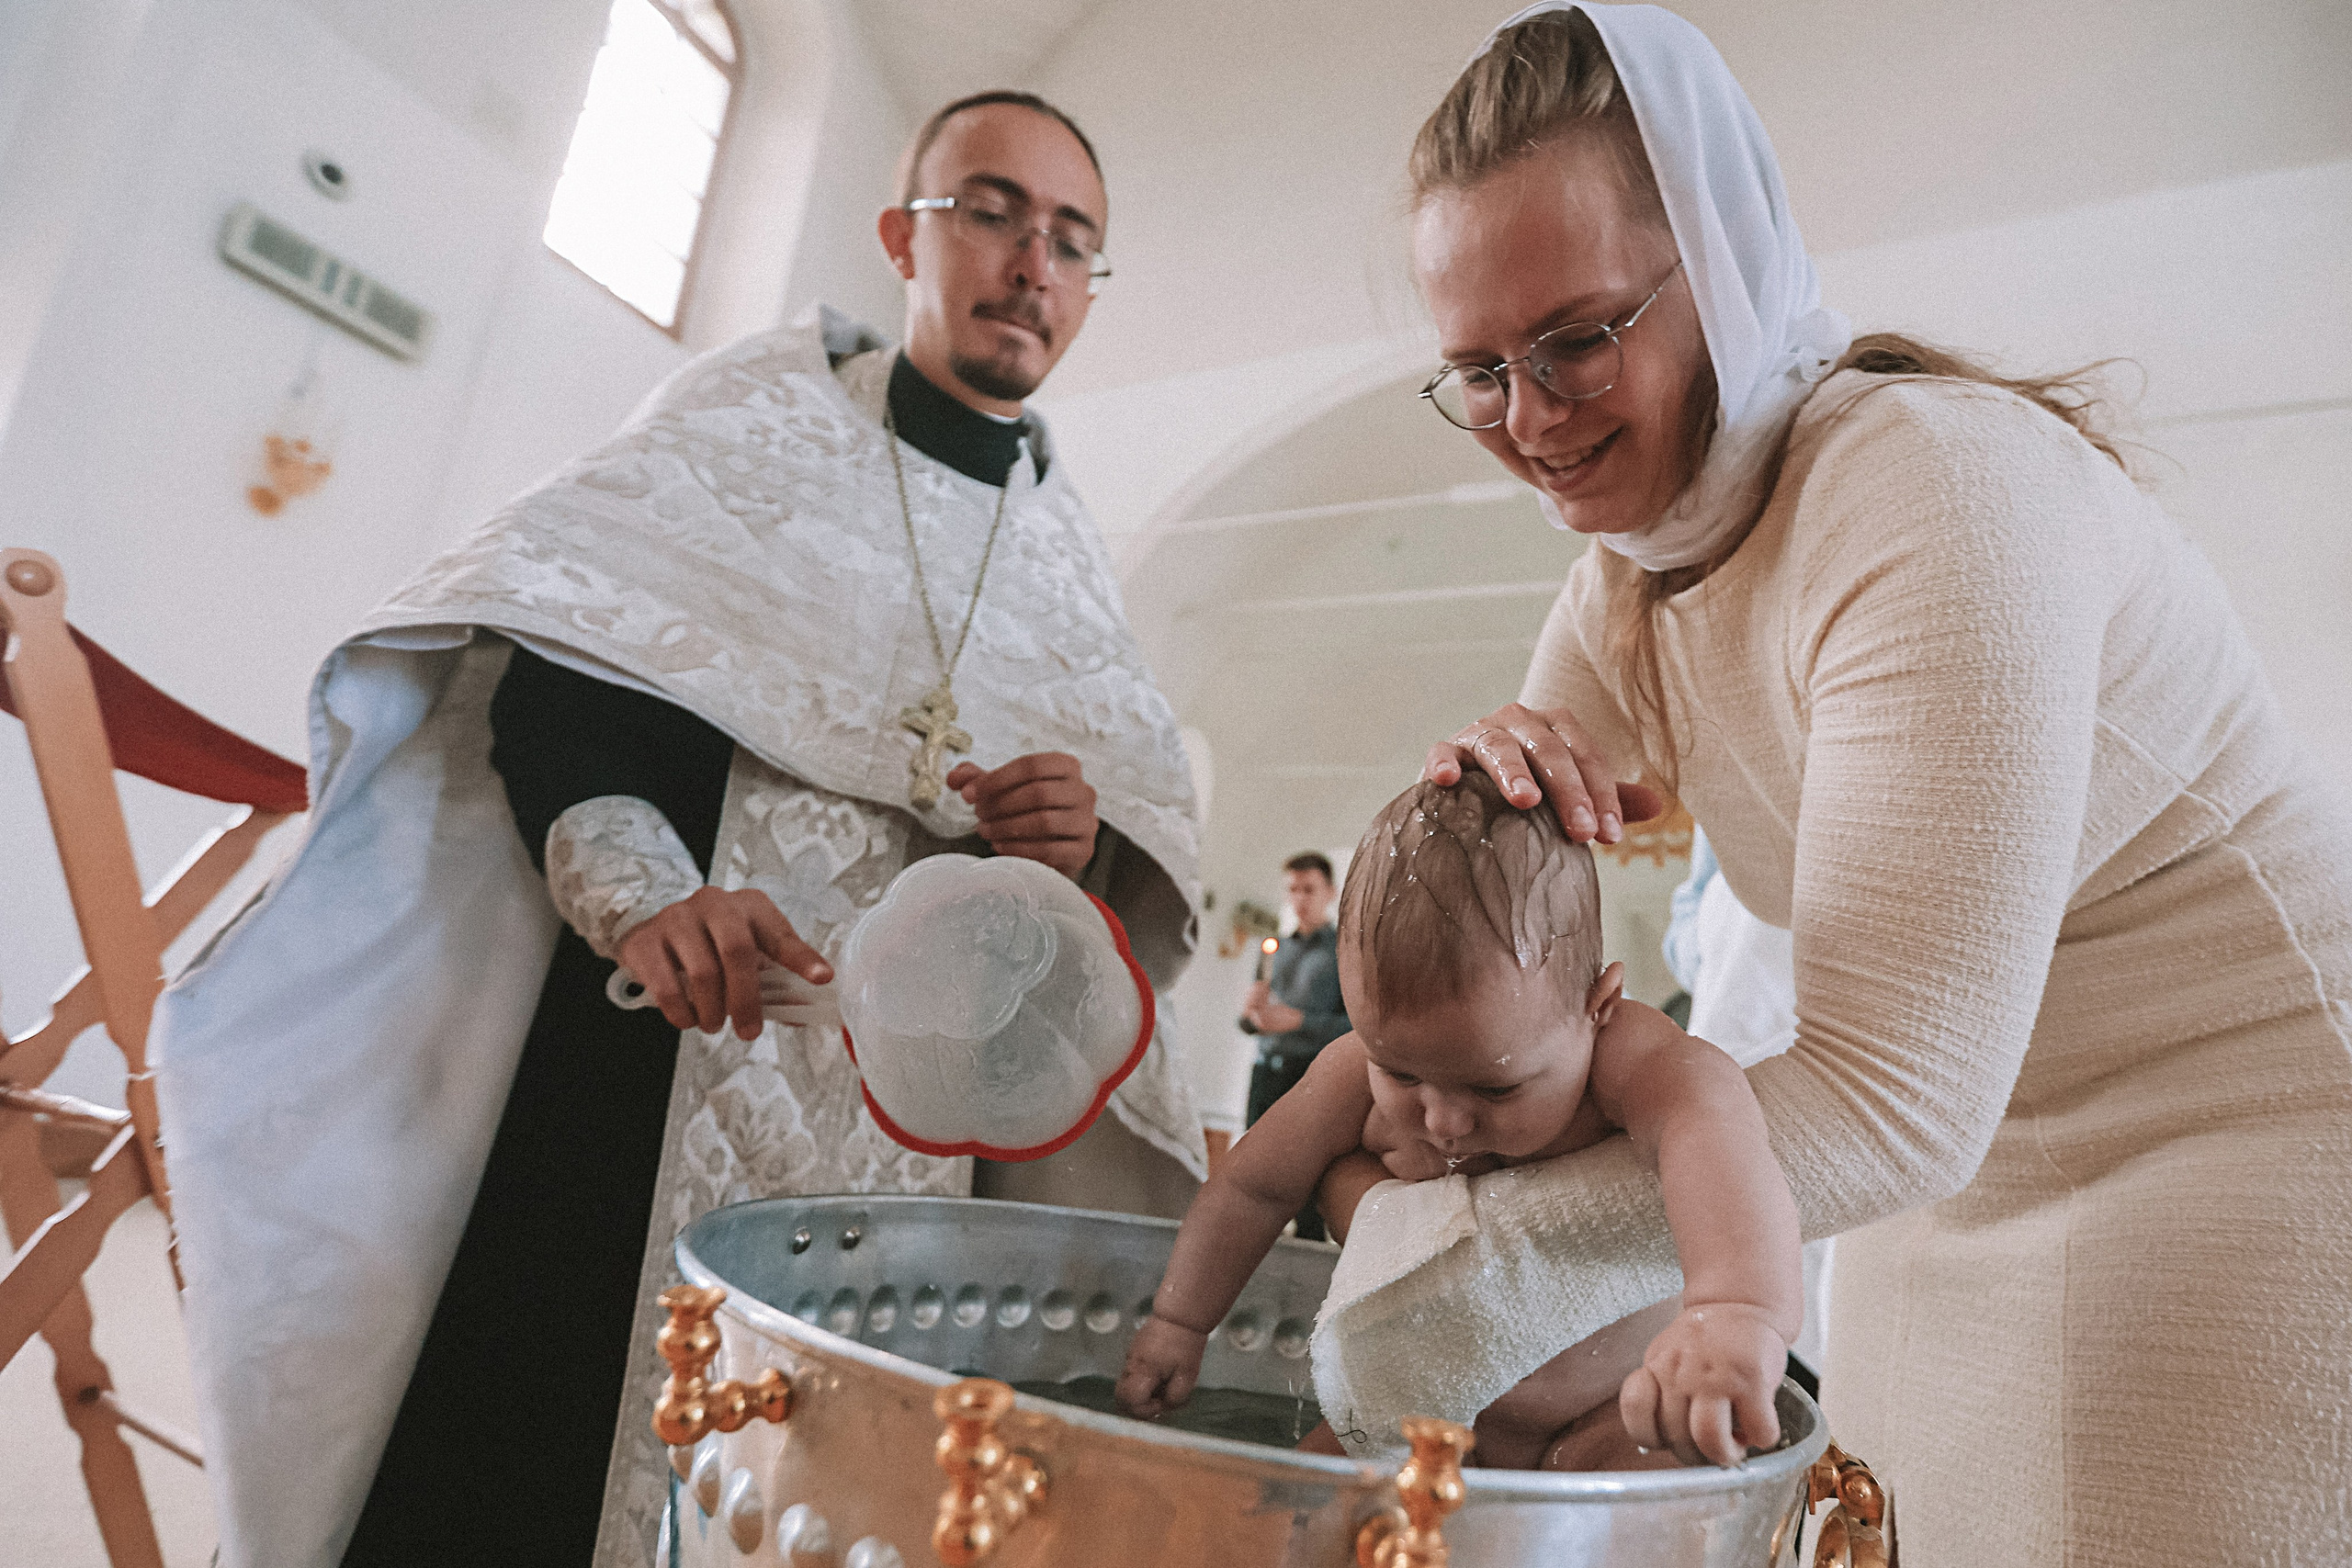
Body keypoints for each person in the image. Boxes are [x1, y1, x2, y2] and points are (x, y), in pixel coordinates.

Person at [1309, 6, 2352, 1562]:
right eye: (1476, 369)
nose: (1528, 419)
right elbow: (1488, 940)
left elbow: (1895, 1092)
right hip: (1950, 1204)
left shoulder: (1931, 487)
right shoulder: (1627, 581)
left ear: (1722, 259)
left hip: (2233, 1148)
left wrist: (1455, 1249)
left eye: (1578, 337)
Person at [153, 91, 1207, 1568]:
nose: (1032, 261)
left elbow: (1112, 906)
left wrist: (1071, 852)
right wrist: (648, 899)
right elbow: (559, 700)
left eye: (1073, 240)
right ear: (905, 234)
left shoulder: (1071, 568)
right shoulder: (742, 431)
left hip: (906, 1168)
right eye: (992, 210)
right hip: (649, 1065)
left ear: (1092, 289)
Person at [1120, 774, 1800, 1469]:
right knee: (1288, 1511)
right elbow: (1250, 1187)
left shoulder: (1624, 1057)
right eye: (1402, 1073)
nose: (1441, 1119)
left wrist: (1736, 1307)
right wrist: (1180, 1320)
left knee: (1650, 1497)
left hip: (1607, 1416)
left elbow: (1712, 1122)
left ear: (1597, 1007)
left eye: (1494, 1086)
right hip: (1409, 1410)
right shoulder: (1353, 1070)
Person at [1238, 851, 1349, 1237]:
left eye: (1309, 889)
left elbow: (1354, 1027)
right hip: (1266, 1073)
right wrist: (1250, 1015)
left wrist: (1300, 1021)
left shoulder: (1343, 952)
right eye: (1292, 890)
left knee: (1307, 1189)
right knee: (1253, 1175)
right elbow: (1252, 1024)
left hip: (1312, 1076)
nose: (1300, 899)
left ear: (1330, 892)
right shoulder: (1274, 948)